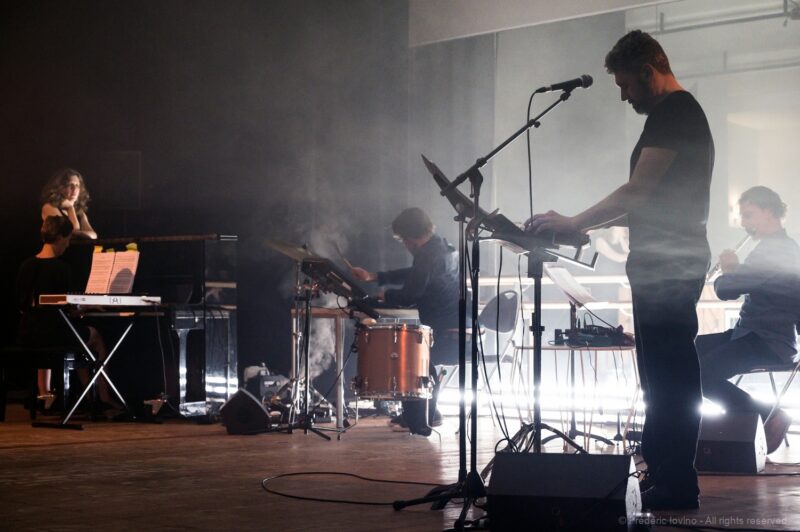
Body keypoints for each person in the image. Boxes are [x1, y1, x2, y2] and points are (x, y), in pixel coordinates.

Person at [526, 30, 713, 510]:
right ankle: (667, 477)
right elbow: (647, 200)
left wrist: (574, 220)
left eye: (627, 84)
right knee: (658, 372)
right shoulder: (674, 116)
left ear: (649, 71)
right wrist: (582, 227)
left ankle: (676, 482)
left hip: (671, 262)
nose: (624, 95)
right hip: (662, 259)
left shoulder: (676, 112)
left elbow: (637, 191)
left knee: (668, 373)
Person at [698, 186, 800, 454]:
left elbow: (728, 290)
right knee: (683, 355)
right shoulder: (773, 249)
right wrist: (735, 272)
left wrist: (729, 270)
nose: (745, 223)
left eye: (749, 215)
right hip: (750, 334)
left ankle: (766, 415)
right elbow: (750, 281)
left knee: (699, 373)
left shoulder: (777, 250)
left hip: (769, 340)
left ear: (769, 212)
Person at [351, 207, 459, 436]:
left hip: (444, 327)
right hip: (452, 319)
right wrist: (376, 277)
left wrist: (384, 295)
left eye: (402, 239)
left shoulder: (428, 254)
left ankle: (419, 419)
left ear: (409, 237)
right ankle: (426, 414)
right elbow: (415, 273)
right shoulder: (441, 246)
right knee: (418, 359)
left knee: (406, 357)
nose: (404, 244)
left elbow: (411, 294)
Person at [16, 215, 120, 412]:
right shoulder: (61, 268)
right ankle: (103, 397)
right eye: (69, 239)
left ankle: (85, 398)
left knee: (79, 338)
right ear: (61, 237)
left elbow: (21, 304)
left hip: (27, 334)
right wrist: (88, 306)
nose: (68, 245)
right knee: (93, 337)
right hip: (54, 334)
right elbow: (70, 309)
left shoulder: (26, 265)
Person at [41, 168, 97, 240]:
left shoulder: (80, 213)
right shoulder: (49, 207)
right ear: (60, 188)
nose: (74, 189)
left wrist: (79, 233)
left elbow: (94, 235)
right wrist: (70, 208)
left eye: (77, 186)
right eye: (70, 185)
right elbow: (70, 234)